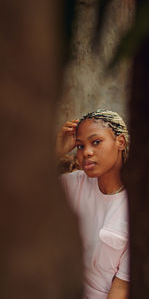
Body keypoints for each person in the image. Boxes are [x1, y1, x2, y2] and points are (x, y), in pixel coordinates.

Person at [56, 109, 130, 299]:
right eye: (80, 146)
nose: (87, 152)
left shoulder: (135, 208)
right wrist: (55, 151)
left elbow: (121, 288)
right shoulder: (73, 184)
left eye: (96, 142)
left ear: (120, 142)